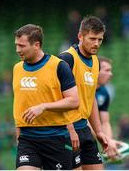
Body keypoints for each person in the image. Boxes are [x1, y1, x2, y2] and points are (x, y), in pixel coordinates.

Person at [13, 24, 81, 170]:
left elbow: (74, 101)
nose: (17, 50)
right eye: (16, 45)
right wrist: (18, 136)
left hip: (55, 137)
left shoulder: (59, 66)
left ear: (36, 45)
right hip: (28, 139)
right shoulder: (17, 69)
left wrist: (44, 106)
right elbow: (19, 105)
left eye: (22, 46)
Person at [59, 16, 108, 170]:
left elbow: (90, 97)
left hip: (84, 129)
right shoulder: (66, 59)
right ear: (80, 36)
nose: (96, 44)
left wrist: (98, 131)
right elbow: (56, 97)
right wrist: (70, 129)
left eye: (100, 40)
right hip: (66, 130)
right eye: (92, 38)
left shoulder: (96, 62)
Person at [96, 56, 121, 160]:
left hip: (90, 139)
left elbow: (105, 122)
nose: (111, 74)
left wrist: (110, 142)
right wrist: (105, 141)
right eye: (107, 70)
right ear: (95, 71)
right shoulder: (81, 89)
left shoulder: (104, 92)